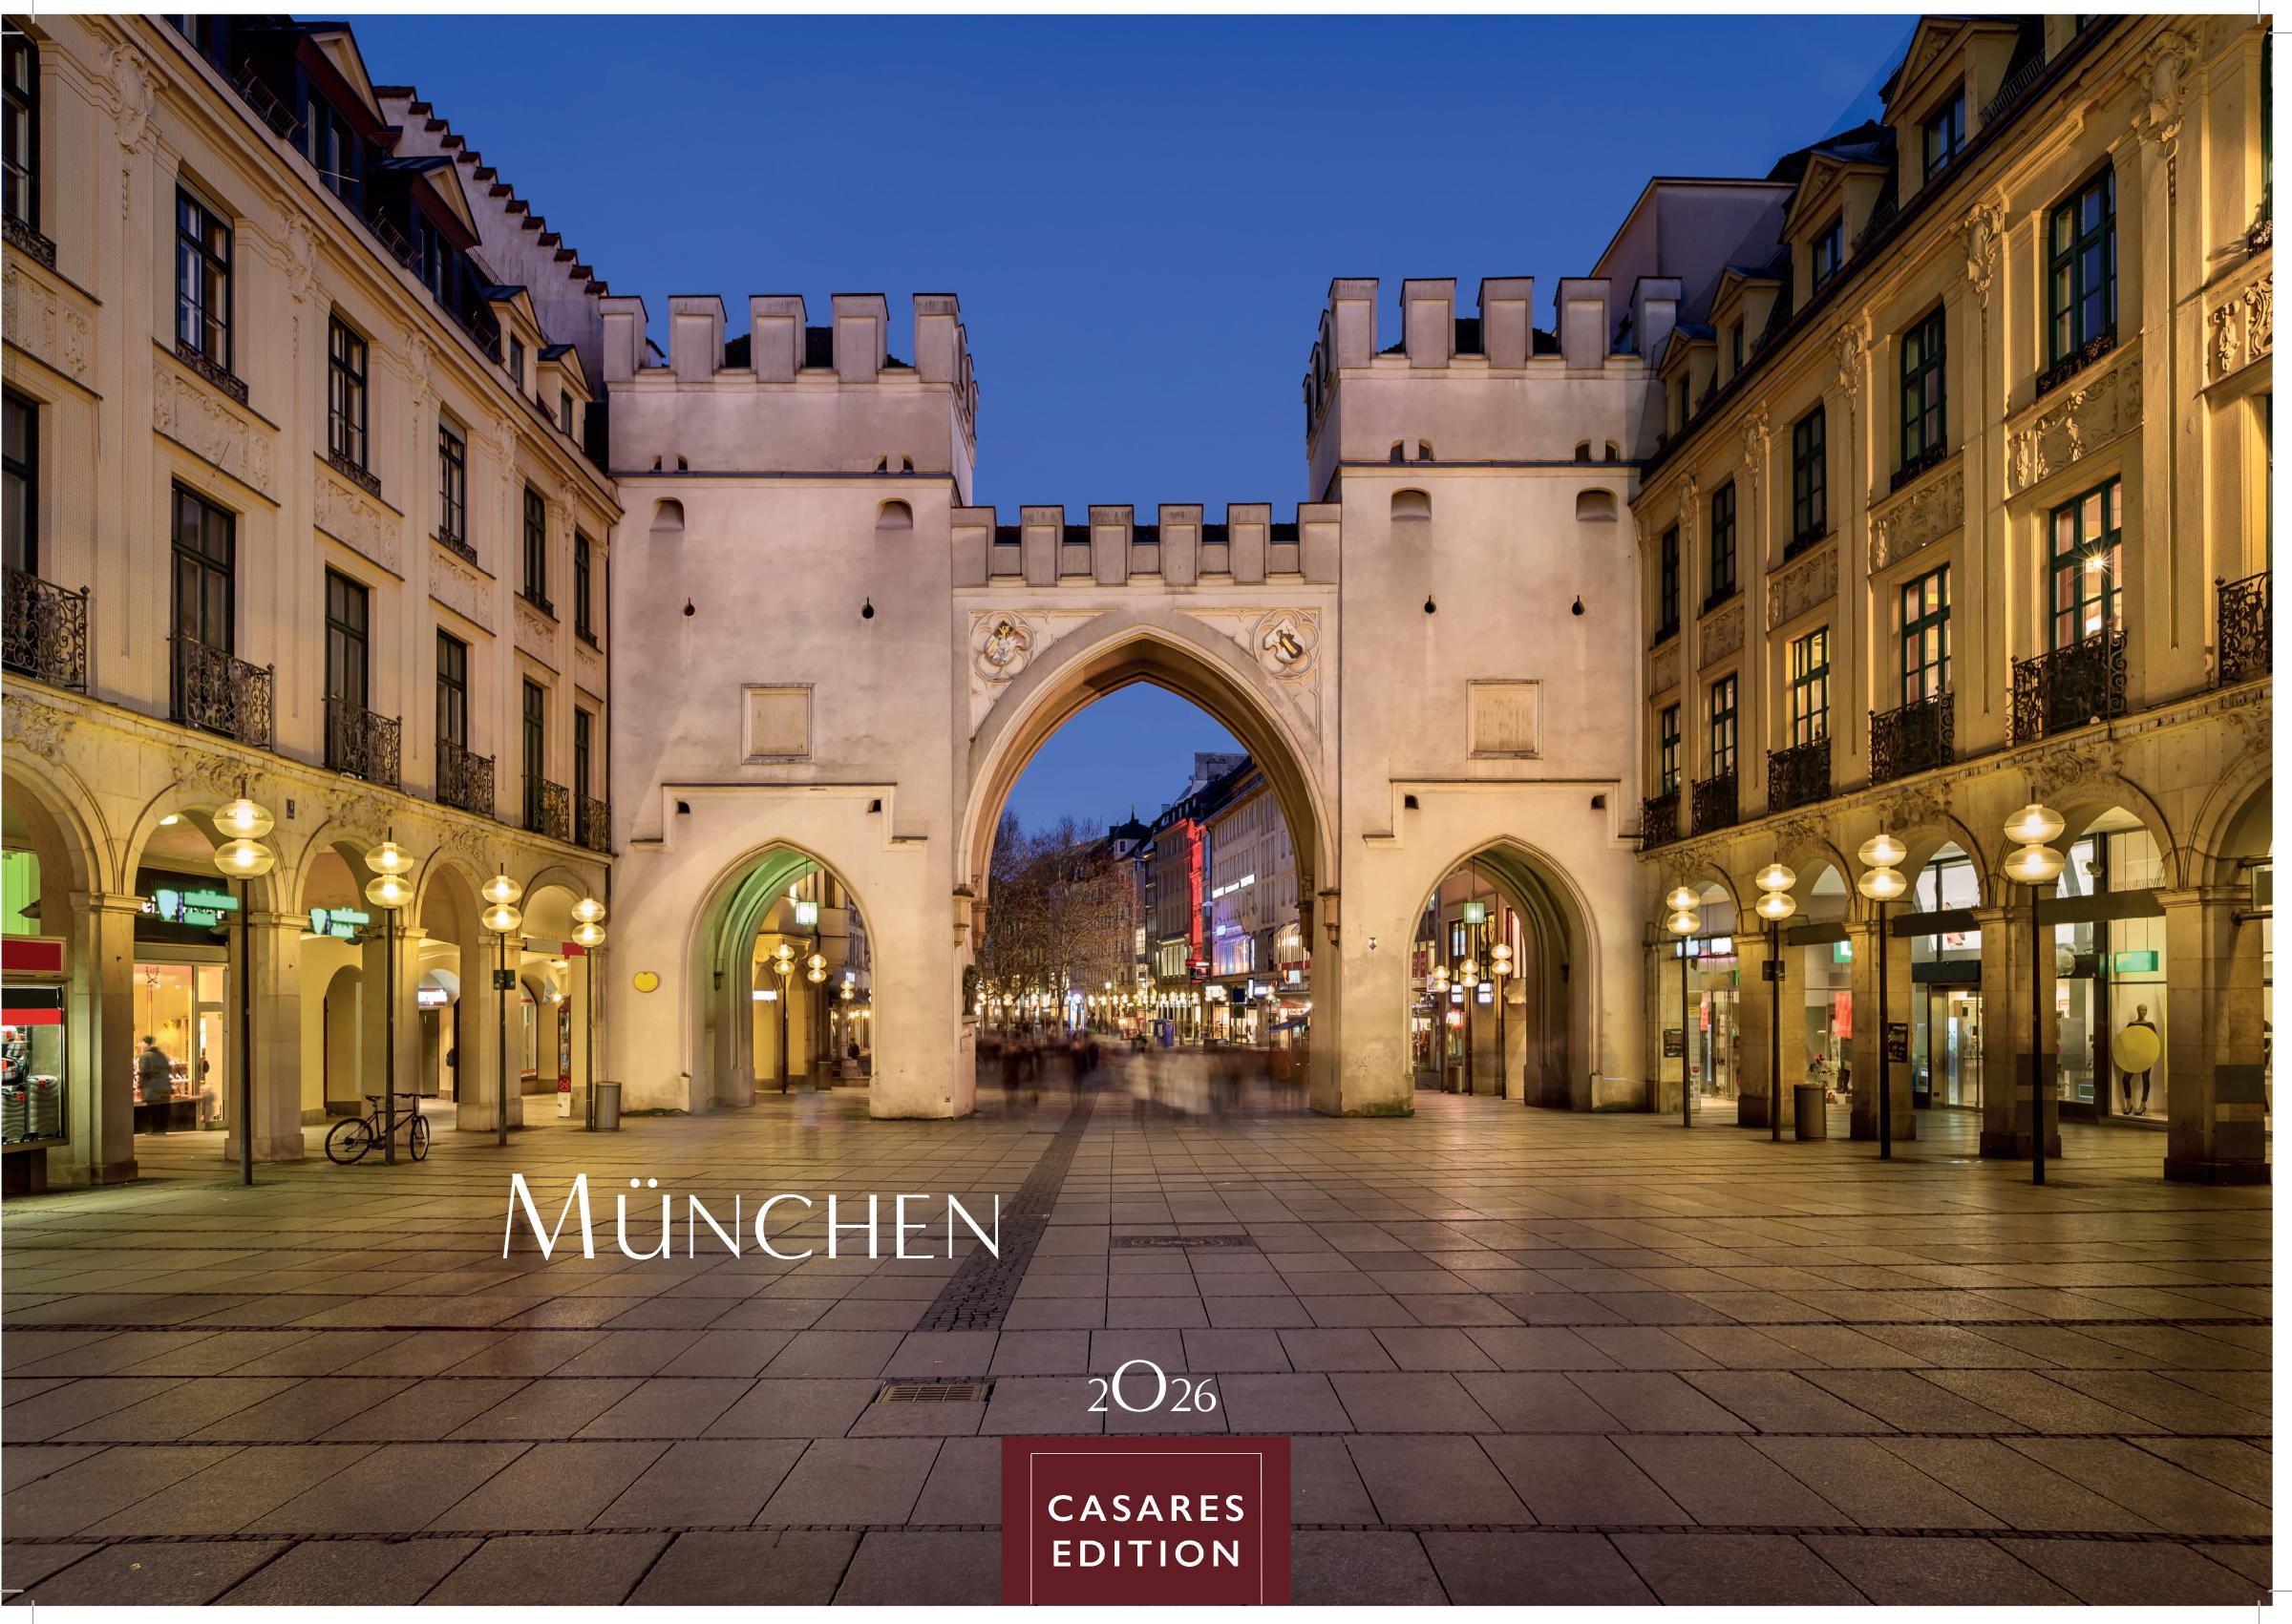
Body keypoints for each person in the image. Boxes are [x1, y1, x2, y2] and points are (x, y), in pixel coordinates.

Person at [137, 1036, 174, 1133]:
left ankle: (156, 1129)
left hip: (152, 1087)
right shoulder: (162, 1055)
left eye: (141, 1043)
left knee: (154, 1109)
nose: (140, 1046)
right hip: (164, 1086)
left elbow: (144, 1072)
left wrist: (140, 1085)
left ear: (145, 1044)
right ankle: (162, 1129)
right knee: (162, 1109)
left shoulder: (145, 1056)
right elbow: (169, 1069)